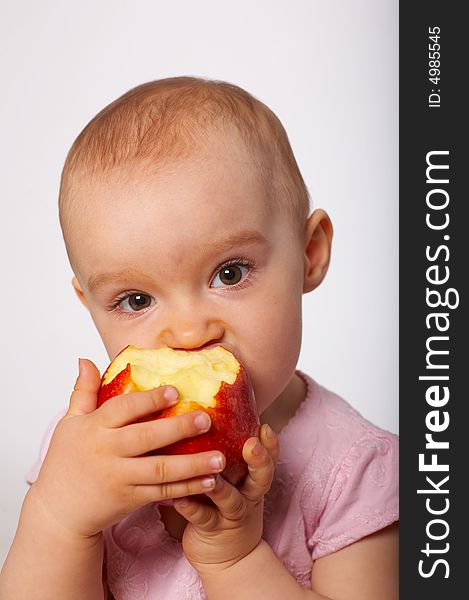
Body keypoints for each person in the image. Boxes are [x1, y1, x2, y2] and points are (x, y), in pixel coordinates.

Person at [0, 77, 398, 599]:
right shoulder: (91, 447)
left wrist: (235, 560)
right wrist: (57, 515)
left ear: (309, 253)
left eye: (229, 273)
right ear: (90, 305)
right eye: (136, 300)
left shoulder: (359, 472)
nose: (189, 334)